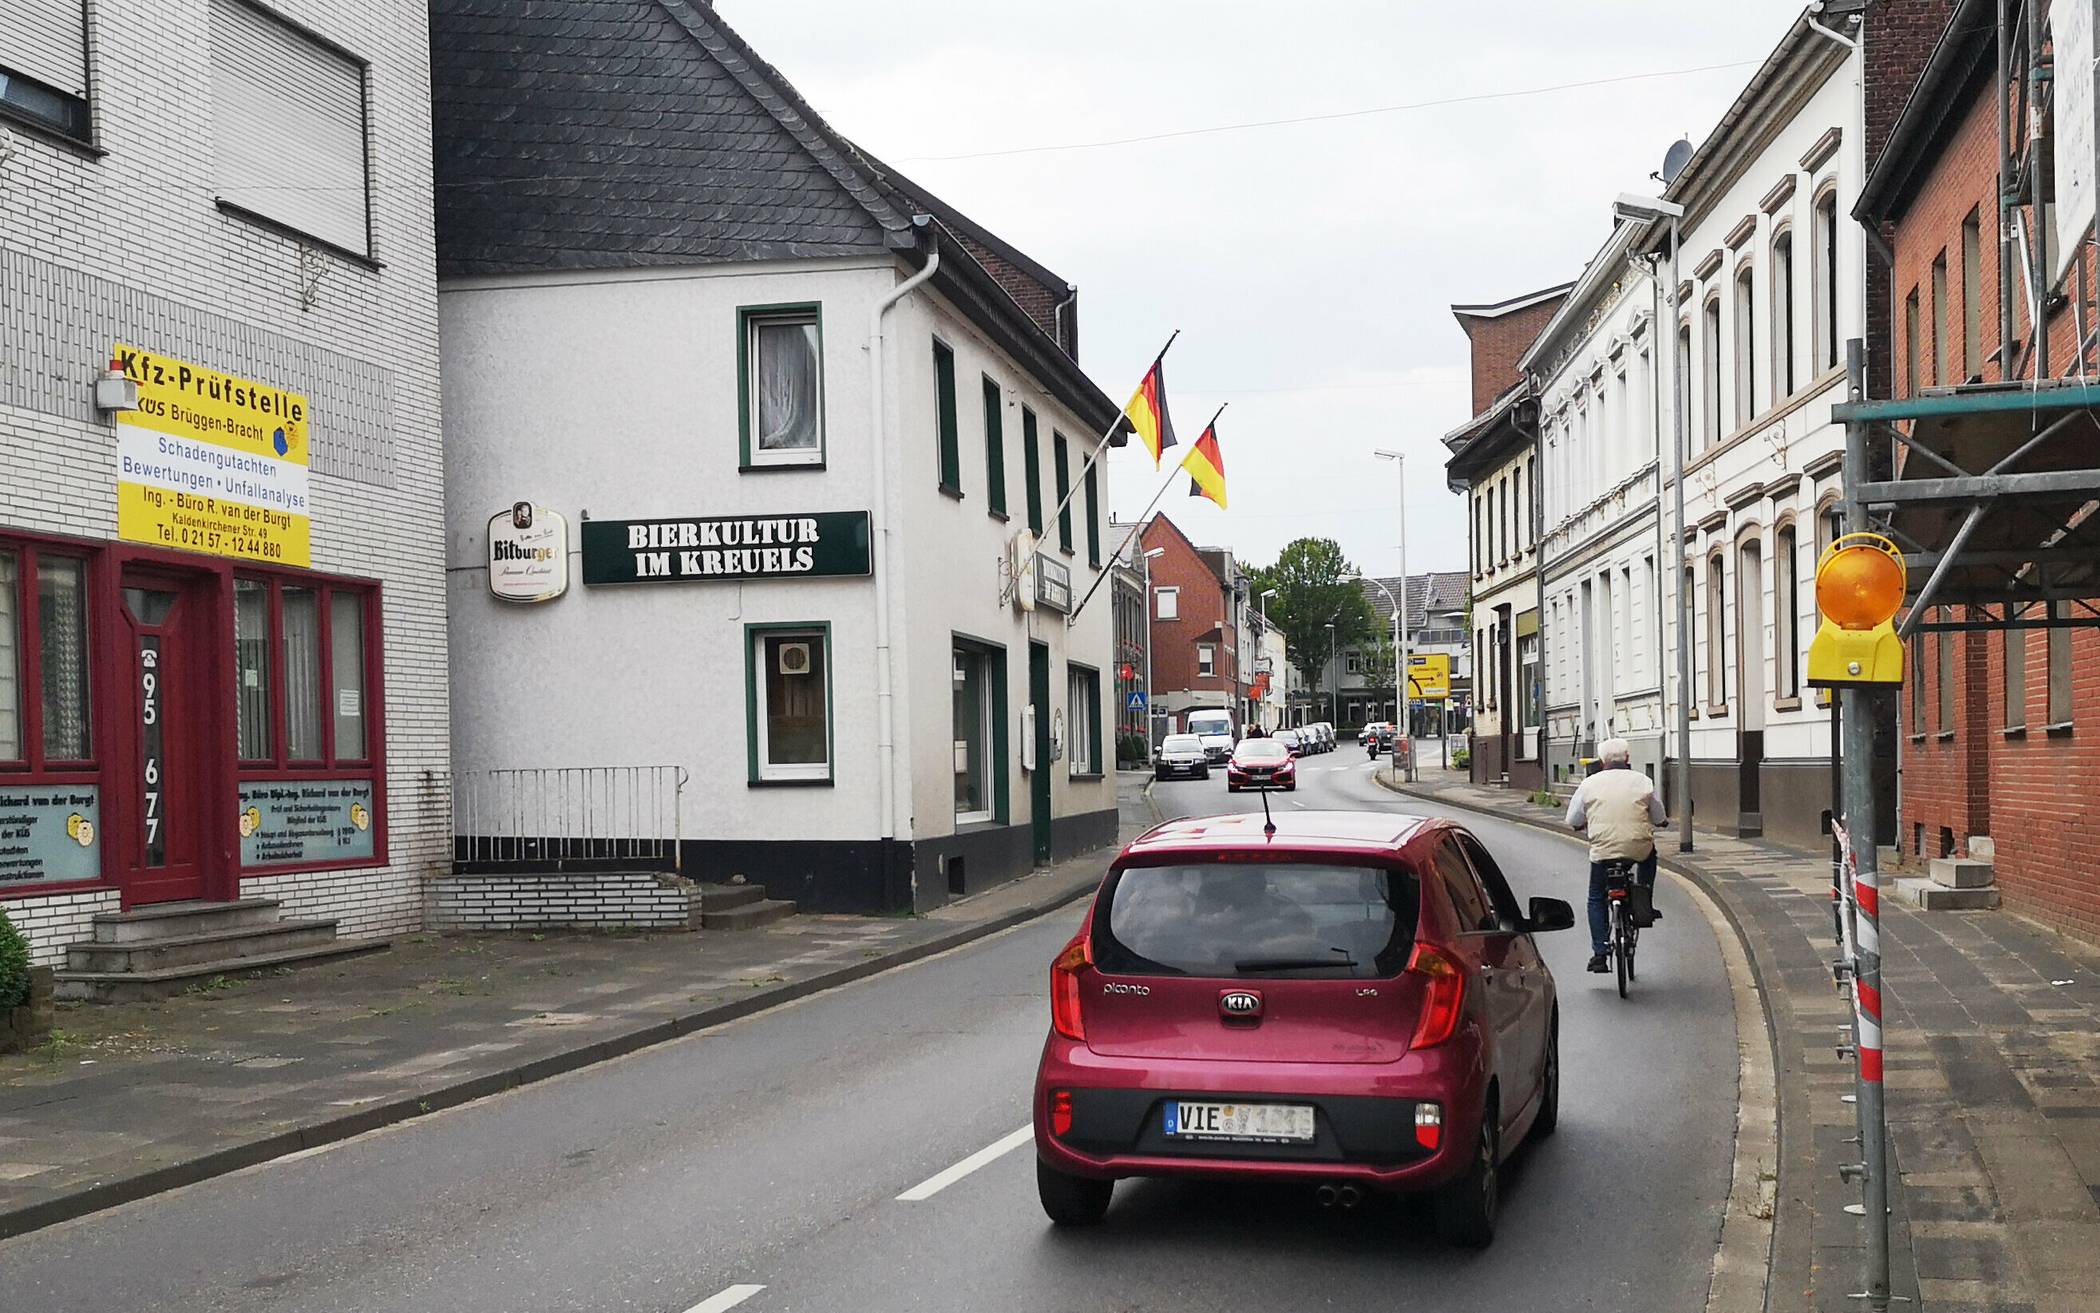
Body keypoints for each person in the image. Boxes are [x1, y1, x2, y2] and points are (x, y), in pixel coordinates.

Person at [1564, 738, 1665, 973]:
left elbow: (1572, 820)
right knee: (1650, 856)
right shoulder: (1643, 781)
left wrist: (1582, 825)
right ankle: (1644, 896)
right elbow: (1658, 815)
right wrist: (1660, 822)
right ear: (1627, 758)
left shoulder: (1589, 784)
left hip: (1603, 851)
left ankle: (1600, 952)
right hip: (1637, 848)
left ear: (1601, 761)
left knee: (1596, 897)